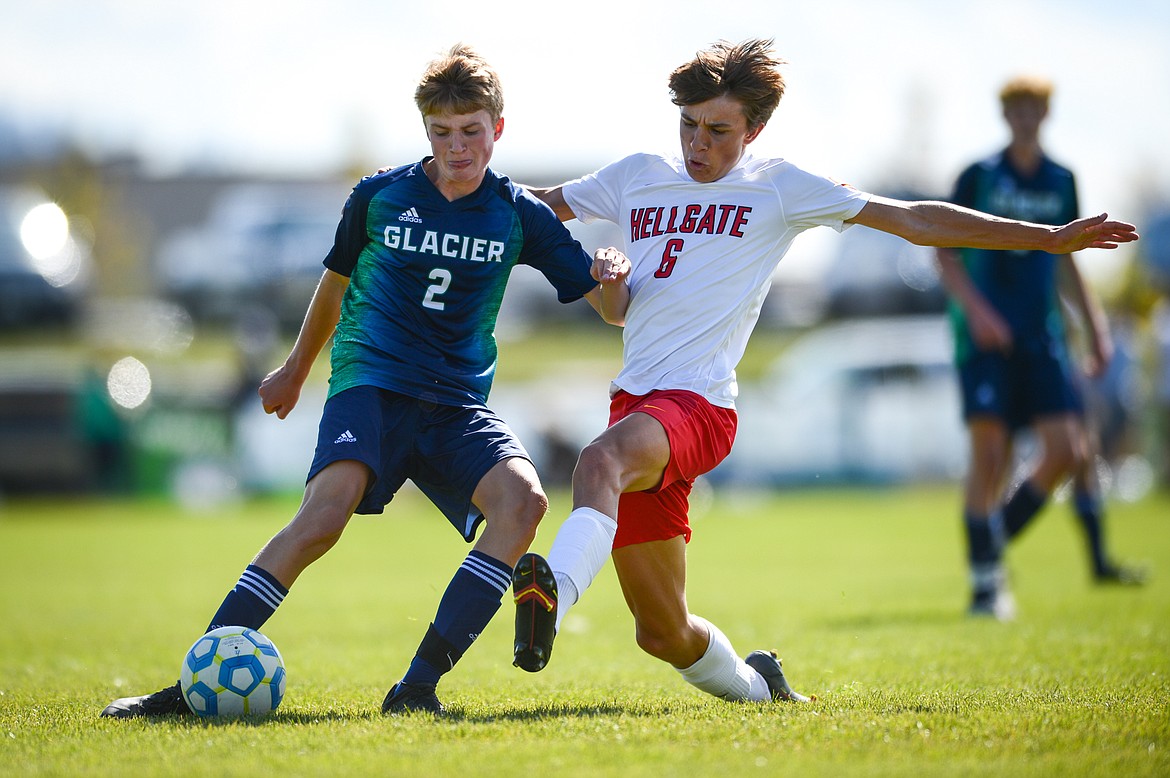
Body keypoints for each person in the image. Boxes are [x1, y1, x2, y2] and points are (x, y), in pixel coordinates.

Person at [509, 39, 1139, 703]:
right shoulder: (637, 173)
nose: (699, 143)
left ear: (753, 130)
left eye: (718, 130)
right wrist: (430, 187)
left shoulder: (779, 188)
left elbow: (916, 220)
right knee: (663, 633)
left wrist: (1045, 237)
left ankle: (549, 589)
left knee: (597, 463)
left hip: (697, 407)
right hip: (635, 407)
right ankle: (764, 690)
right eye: (689, 125)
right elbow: (532, 206)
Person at [101, 43, 628, 718]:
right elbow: (335, 282)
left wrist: (614, 272)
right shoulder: (379, 195)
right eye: (442, 132)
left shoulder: (518, 212)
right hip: (372, 384)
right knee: (325, 515)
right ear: (426, 130)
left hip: (456, 404)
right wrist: (295, 369)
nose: (457, 147)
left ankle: (416, 689)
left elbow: (609, 310)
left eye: (472, 132)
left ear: (499, 128)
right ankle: (189, 685)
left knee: (523, 502)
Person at [936, 75, 1145, 621]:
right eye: (1018, 109)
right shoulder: (979, 176)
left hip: (1042, 336)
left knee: (1068, 451)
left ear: (1046, 114)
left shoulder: (1061, 178)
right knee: (990, 455)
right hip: (983, 340)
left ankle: (992, 543)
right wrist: (979, 314)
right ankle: (986, 587)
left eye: (1036, 109)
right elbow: (946, 253)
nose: (1027, 117)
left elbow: (1067, 256)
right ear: (1005, 115)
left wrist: (1095, 327)